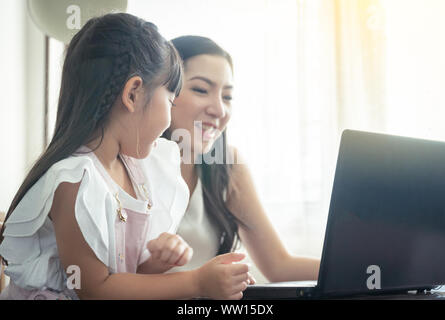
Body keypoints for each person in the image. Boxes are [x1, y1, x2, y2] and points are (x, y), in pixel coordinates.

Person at [0, 15, 251, 300]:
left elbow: (121, 276)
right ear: (133, 93)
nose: (169, 120)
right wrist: (196, 282)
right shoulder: (75, 180)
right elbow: (96, 290)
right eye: (170, 101)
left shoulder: (135, 171)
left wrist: (157, 262)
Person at [163, 35, 321, 281]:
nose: (219, 110)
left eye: (227, 97)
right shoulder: (132, 162)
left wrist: (363, 270)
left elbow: (279, 266)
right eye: (201, 90)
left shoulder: (227, 164)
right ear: (163, 91)